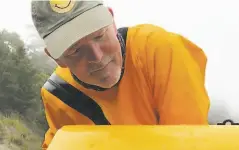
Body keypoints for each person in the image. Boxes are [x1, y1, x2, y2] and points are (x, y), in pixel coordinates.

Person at [31, 0, 211, 149]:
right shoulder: (59, 95)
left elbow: (189, 142)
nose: (97, 57)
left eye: (99, 35)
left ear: (112, 20)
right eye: (75, 50)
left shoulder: (160, 51)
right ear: (57, 58)